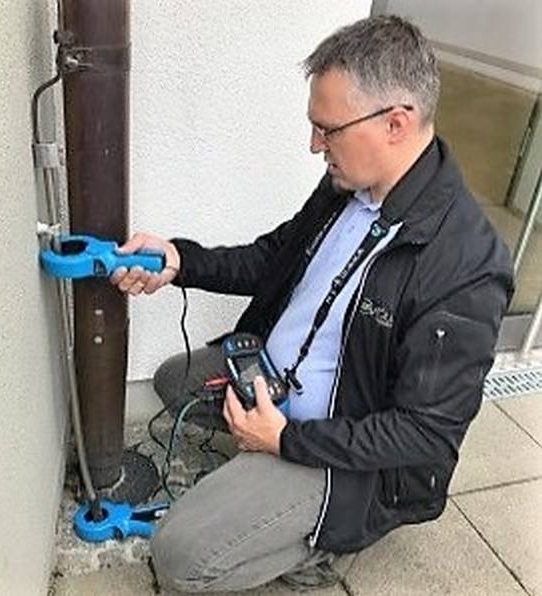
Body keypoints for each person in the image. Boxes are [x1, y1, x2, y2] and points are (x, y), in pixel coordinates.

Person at [111, 15, 513, 593]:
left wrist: (284, 441)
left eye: (328, 130)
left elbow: (423, 433)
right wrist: (180, 259)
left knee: (179, 557)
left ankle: (325, 544)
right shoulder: (348, 184)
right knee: (176, 382)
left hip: (342, 453)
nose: (314, 145)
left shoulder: (467, 264)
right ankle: (261, 473)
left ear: (395, 123)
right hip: (275, 381)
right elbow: (273, 257)